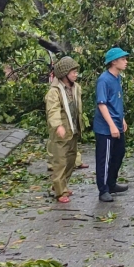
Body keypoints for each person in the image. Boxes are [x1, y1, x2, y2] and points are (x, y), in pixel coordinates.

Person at [45, 57, 84, 203]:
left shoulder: (76, 88)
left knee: (71, 159)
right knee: (60, 162)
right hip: (61, 131)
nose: (76, 74)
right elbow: (53, 110)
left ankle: (61, 185)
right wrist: (58, 126)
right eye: (73, 72)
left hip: (72, 130)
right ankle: (59, 192)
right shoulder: (54, 92)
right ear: (64, 74)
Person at [94, 47, 130, 203]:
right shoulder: (104, 79)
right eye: (123, 59)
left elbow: (116, 101)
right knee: (105, 158)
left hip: (117, 122)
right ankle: (103, 190)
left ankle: (112, 183)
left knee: (119, 153)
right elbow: (102, 104)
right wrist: (111, 125)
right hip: (105, 128)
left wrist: (121, 120)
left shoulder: (117, 78)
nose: (126, 61)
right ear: (114, 62)